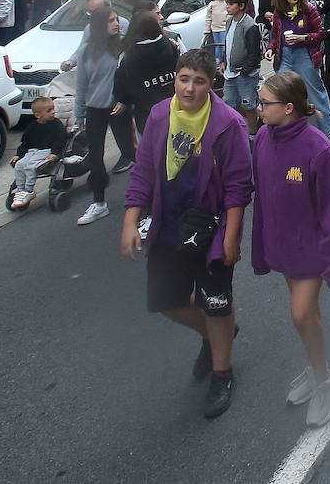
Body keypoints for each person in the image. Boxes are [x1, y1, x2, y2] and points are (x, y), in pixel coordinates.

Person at [120, 49, 252, 420]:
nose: (189, 88)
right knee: (166, 300)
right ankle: (218, 334)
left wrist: (231, 238)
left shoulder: (229, 125)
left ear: (211, 84)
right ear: (174, 78)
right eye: (183, 79)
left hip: (210, 229)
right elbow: (144, 172)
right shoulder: (160, 115)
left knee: (216, 302)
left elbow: (239, 188)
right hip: (168, 225)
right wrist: (131, 221)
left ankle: (222, 373)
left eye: (199, 81)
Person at [251, 70, 330, 426]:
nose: (258, 108)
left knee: (300, 314)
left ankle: (324, 381)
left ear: (289, 107)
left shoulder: (318, 149)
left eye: (265, 103)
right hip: (282, 247)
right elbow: (262, 196)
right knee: (308, 317)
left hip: (311, 252)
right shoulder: (262, 138)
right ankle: (314, 365)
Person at [73, 6, 131, 224]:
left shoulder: (123, 47)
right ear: (99, 25)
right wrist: (79, 115)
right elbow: (81, 84)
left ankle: (152, 193)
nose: (116, 24)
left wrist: (124, 101)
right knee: (95, 156)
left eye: (116, 20)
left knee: (129, 150)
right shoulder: (87, 51)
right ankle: (99, 203)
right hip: (94, 109)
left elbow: (128, 78)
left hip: (119, 108)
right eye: (111, 21)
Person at [266, 0, 330, 138]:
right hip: (284, 55)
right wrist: (270, 49)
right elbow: (275, 37)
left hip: (305, 54)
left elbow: (320, 32)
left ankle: (328, 126)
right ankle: (293, 130)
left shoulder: (308, 9)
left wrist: (303, 37)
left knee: (315, 92)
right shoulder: (279, 12)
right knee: (283, 93)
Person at [114, 10, 179, 136]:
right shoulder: (169, 45)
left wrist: (122, 100)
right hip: (173, 106)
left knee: (150, 151)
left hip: (147, 114)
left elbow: (123, 82)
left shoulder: (131, 55)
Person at [8, 95, 67, 209]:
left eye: (53, 109)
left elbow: (59, 140)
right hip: (32, 152)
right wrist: (18, 155)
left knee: (31, 166)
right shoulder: (32, 127)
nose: (53, 112)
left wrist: (55, 153)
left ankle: (29, 190)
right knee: (19, 165)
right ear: (38, 115)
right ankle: (21, 190)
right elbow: (25, 143)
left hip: (47, 151)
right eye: (49, 110)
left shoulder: (56, 124)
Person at [220, 0, 263, 134]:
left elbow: (254, 53)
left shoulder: (250, 26)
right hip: (229, 73)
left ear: (241, 6)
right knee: (229, 104)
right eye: (227, 3)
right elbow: (228, 44)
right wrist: (223, 62)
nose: (227, 6)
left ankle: (253, 135)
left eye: (231, 4)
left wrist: (245, 71)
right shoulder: (229, 22)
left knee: (248, 105)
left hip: (244, 74)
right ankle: (236, 132)